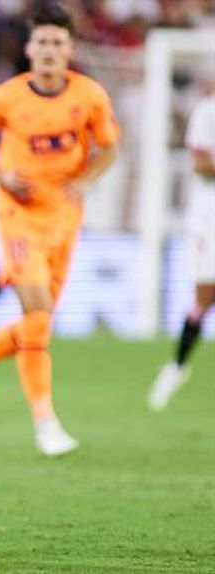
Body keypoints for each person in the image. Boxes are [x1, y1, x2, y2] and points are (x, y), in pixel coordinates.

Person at [0, 3, 119, 456]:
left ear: (69, 50)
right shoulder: (5, 96)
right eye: (42, 42)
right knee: (38, 311)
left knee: (39, 321)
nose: (49, 50)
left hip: (63, 217)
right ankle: (45, 422)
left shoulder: (90, 96)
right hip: (20, 216)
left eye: (57, 43)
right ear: (29, 48)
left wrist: (85, 180)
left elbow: (109, 147)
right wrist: (1, 176)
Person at [148, 88, 215, 411]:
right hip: (209, 216)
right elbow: (200, 165)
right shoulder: (208, 111)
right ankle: (177, 366)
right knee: (205, 296)